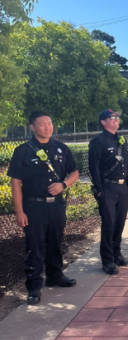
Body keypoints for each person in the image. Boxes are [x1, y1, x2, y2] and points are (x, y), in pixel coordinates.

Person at [8, 111, 79, 305]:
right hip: (34, 206)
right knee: (35, 246)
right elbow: (15, 183)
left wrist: (63, 185)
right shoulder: (23, 151)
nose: (47, 127)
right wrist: (19, 211)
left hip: (56, 206)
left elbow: (74, 172)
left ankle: (55, 276)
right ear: (32, 127)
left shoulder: (61, 148)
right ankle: (34, 286)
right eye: (42, 124)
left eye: (49, 123)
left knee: (56, 242)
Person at [89, 109, 128, 275]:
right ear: (103, 122)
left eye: (116, 117)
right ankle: (107, 260)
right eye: (111, 117)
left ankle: (116, 253)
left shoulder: (121, 139)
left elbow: (126, 163)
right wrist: (99, 190)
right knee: (109, 224)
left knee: (119, 223)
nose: (115, 119)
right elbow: (94, 167)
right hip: (108, 187)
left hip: (122, 187)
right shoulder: (98, 141)